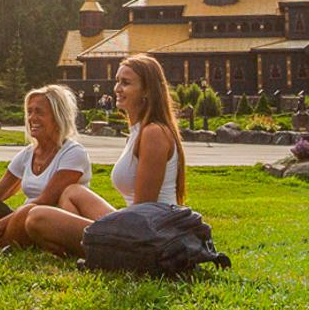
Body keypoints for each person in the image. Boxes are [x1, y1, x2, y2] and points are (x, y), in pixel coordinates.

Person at [19, 54, 186, 259]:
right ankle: (85, 249)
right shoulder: (137, 132)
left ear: (147, 91)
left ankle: (92, 251)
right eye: (117, 81)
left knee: (37, 217)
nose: (117, 88)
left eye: (126, 83)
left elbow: (144, 211)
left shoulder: (154, 133)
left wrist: (106, 227)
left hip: (150, 237)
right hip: (135, 226)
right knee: (72, 191)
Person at [0, 84, 100, 248]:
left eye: (39, 112)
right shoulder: (27, 154)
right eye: (29, 112)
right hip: (19, 220)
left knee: (27, 211)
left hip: (42, 221)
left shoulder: (73, 153)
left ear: (58, 117)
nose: (32, 118)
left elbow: (45, 200)